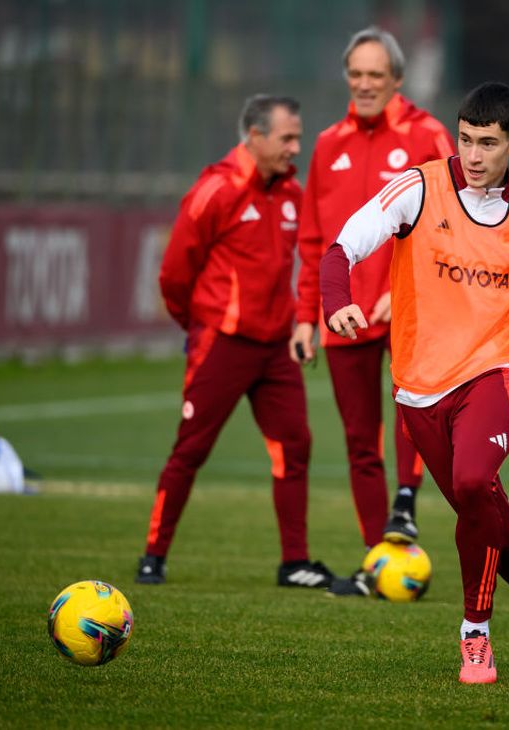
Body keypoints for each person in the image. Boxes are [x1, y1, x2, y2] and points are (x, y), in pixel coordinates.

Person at [320, 82, 509, 683]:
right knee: (494, 524)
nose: (473, 154)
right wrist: (336, 301)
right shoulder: (418, 187)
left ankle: (475, 635)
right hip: (418, 388)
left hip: (491, 373)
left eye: (488, 143)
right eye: (464, 139)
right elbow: (342, 247)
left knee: (471, 483)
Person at [135, 94, 334, 590]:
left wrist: (304, 320)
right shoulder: (216, 190)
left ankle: (295, 563)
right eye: (287, 137)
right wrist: (201, 327)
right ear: (255, 136)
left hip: (276, 348)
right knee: (191, 450)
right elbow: (174, 274)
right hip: (221, 344)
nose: (296, 147)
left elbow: (311, 261)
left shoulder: (294, 195)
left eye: (298, 136)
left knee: (295, 446)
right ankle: (153, 556)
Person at [289, 27, 455, 596]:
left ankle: (405, 505)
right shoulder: (328, 143)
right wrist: (308, 315)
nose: (363, 85)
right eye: (355, 75)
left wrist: (413, 287)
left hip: (408, 305)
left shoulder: (429, 135)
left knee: (415, 415)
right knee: (360, 441)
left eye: (375, 76)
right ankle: (376, 560)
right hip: (343, 313)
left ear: (398, 80)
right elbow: (314, 240)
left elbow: (455, 220)